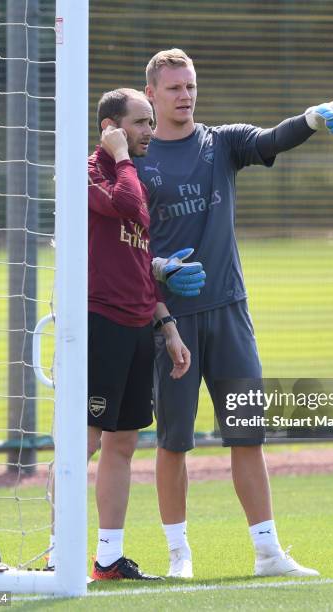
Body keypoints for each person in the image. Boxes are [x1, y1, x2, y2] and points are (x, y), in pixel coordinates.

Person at [133, 49, 333, 579]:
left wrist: (313, 117)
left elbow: (271, 139)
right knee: (173, 442)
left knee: (248, 432)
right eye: (174, 88)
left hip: (230, 312)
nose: (185, 95)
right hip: (170, 322)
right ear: (152, 96)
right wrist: (161, 271)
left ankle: (268, 553)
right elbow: (125, 245)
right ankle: (179, 557)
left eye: (190, 85)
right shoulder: (136, 160)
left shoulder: (220, 143)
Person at [48, 87, 205, 581]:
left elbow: (140, 265)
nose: (150, 131)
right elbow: (129, 206)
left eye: (149, 122)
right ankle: (58, 552)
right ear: (110, 127)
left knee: (123, 444)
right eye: (140, 122)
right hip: (102, 323)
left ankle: (108, 558)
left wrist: (167, 325)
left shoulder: (129, 172)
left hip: (139, 325)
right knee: (85, 441)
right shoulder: (92, 170)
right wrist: (119, 157)